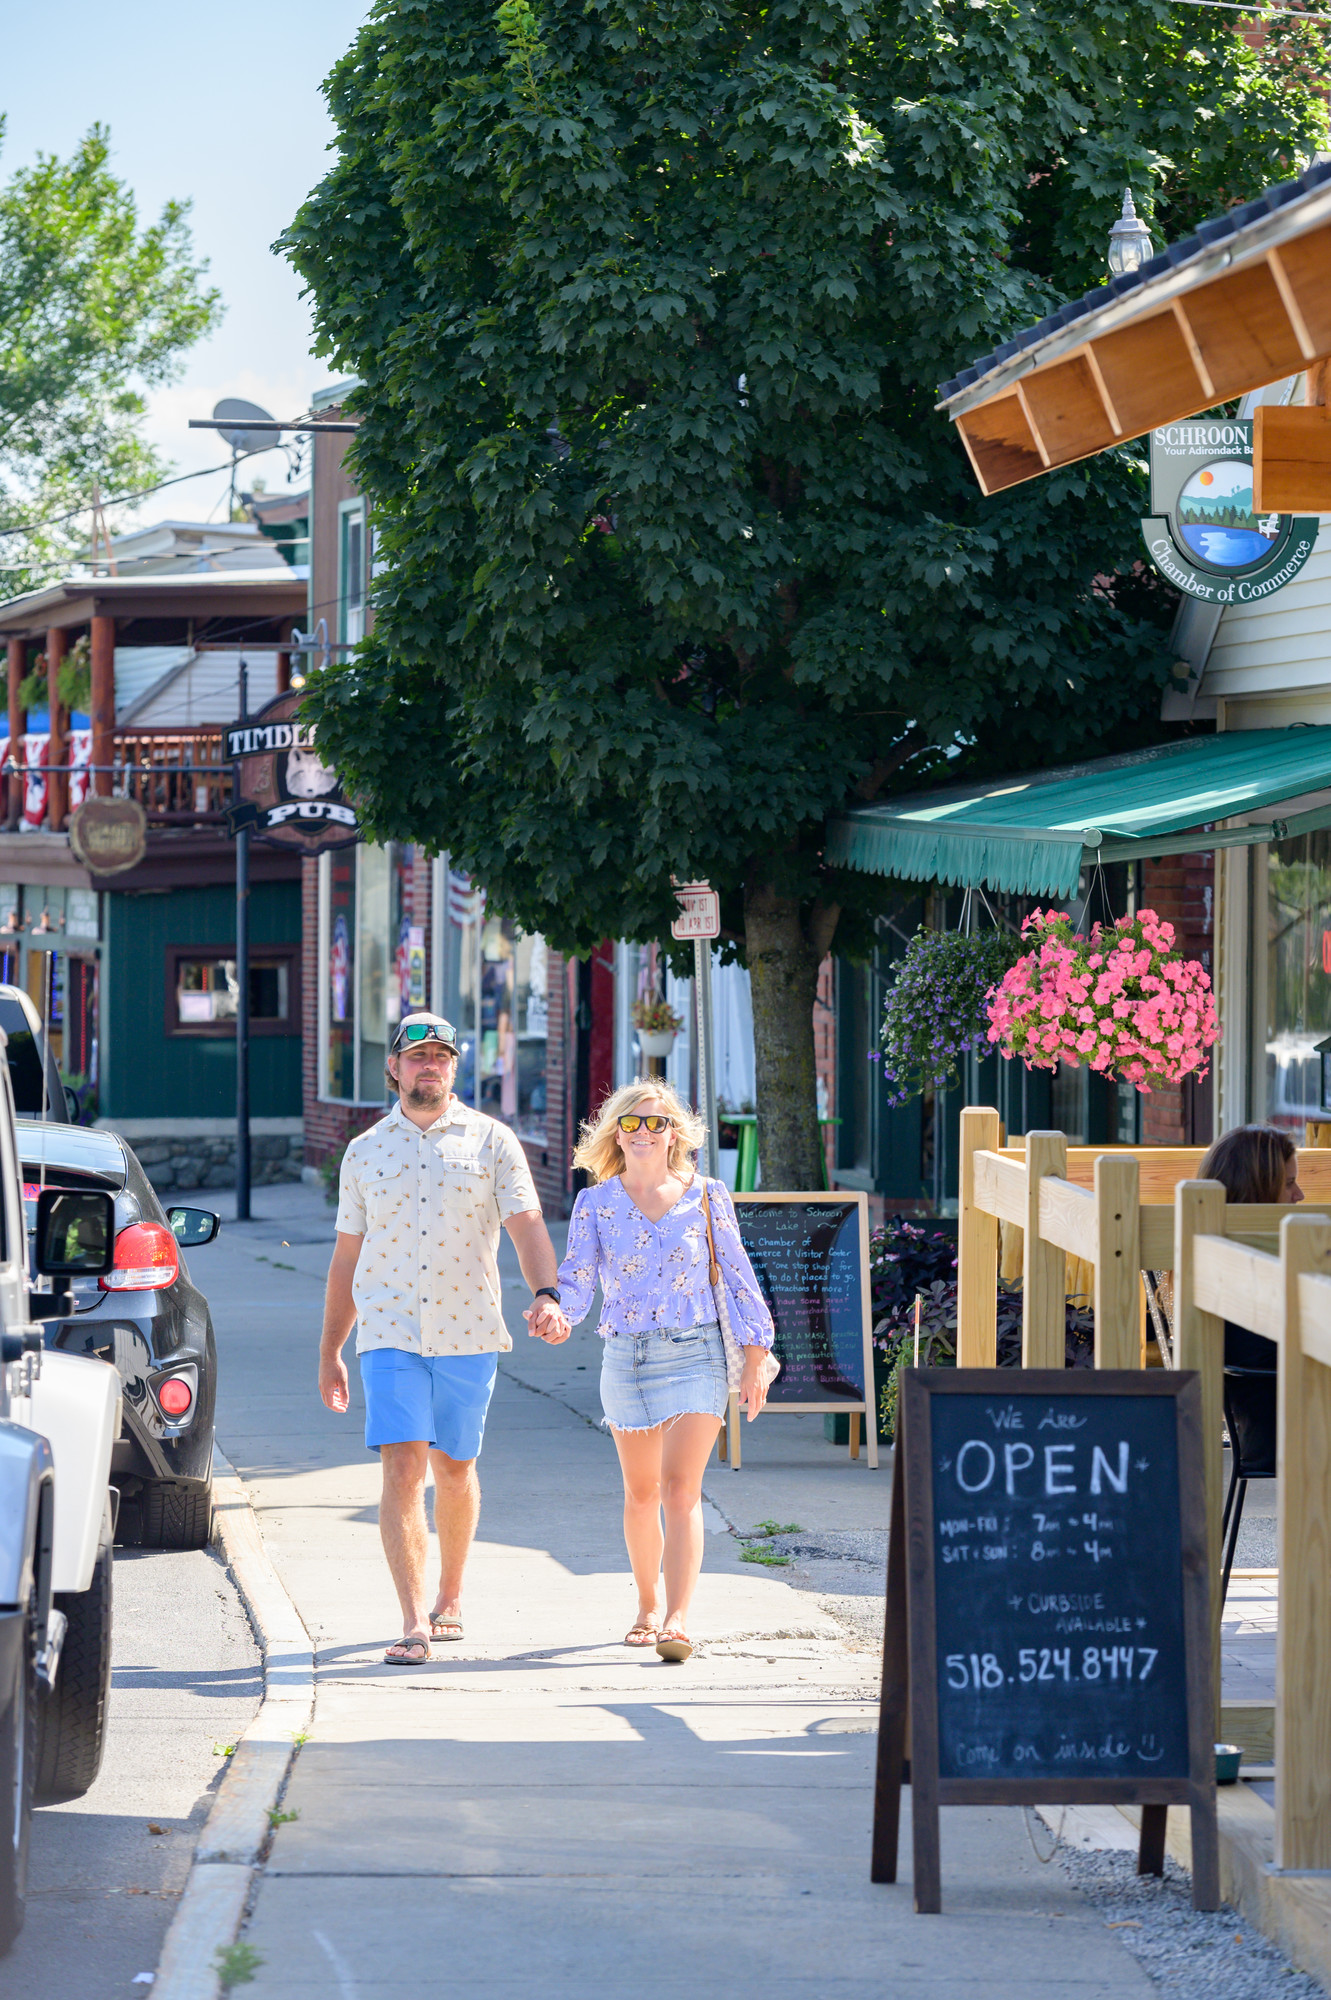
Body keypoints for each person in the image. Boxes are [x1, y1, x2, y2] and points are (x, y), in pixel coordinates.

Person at [319, 1011, 570, 1665]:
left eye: (440, 1057)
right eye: (417, 1056)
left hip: (468, 1332)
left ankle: (450, 1595)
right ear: (394, 1068)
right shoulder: (364, 1152)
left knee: (454, 1469)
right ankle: (412, 1622)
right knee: (402, 1467)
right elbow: (346, 1258)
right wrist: (330, 1351)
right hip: (389, 1332)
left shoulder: (493, 1141)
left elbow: (527, 1225)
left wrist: (547, 1294)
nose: (429, 1065)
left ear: (454, 1068)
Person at [535, 1079, 774, 1664]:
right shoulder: (595, 1204)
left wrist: (756, 1353)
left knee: (680, 1488)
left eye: (657, 1122)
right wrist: (557, 1313)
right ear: (616, 1133)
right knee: (641, 1494)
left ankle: (677, 1619)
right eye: (632, 1122)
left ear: (675, 1134)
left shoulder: (708, 1196)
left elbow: (740, 1277)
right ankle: (646, 1606)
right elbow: (577, 1279)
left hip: (697, 1351)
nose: (644, 1132)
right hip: (627, 1357)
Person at [1198, 1123, 1304, 1371]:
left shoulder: (1210, 1259)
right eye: (1289, 1183)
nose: (1300, 1195)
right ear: (1256, 1193)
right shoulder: (1258, 1276)